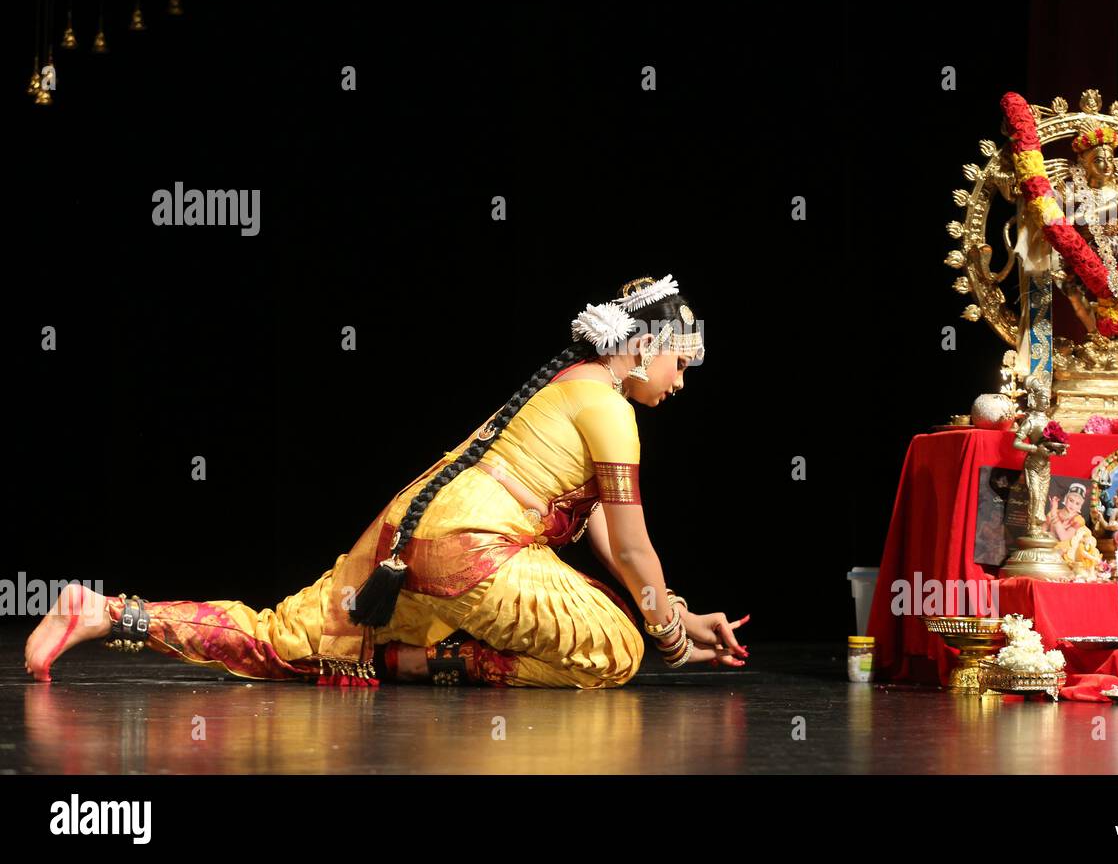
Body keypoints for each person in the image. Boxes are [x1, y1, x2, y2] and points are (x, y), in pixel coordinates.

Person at [25, 275, 749, 688]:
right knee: (615, 654)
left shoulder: (569, 386)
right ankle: (411, 662)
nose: (682, 382)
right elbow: (630, 553)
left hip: (411, 538)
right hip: (476, 553)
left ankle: (110, 612)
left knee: (290, 640)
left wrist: (679, 616)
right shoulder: (611, 409)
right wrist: (669, 644)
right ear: (647, 345)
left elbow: (597, 538)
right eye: (682, 364)